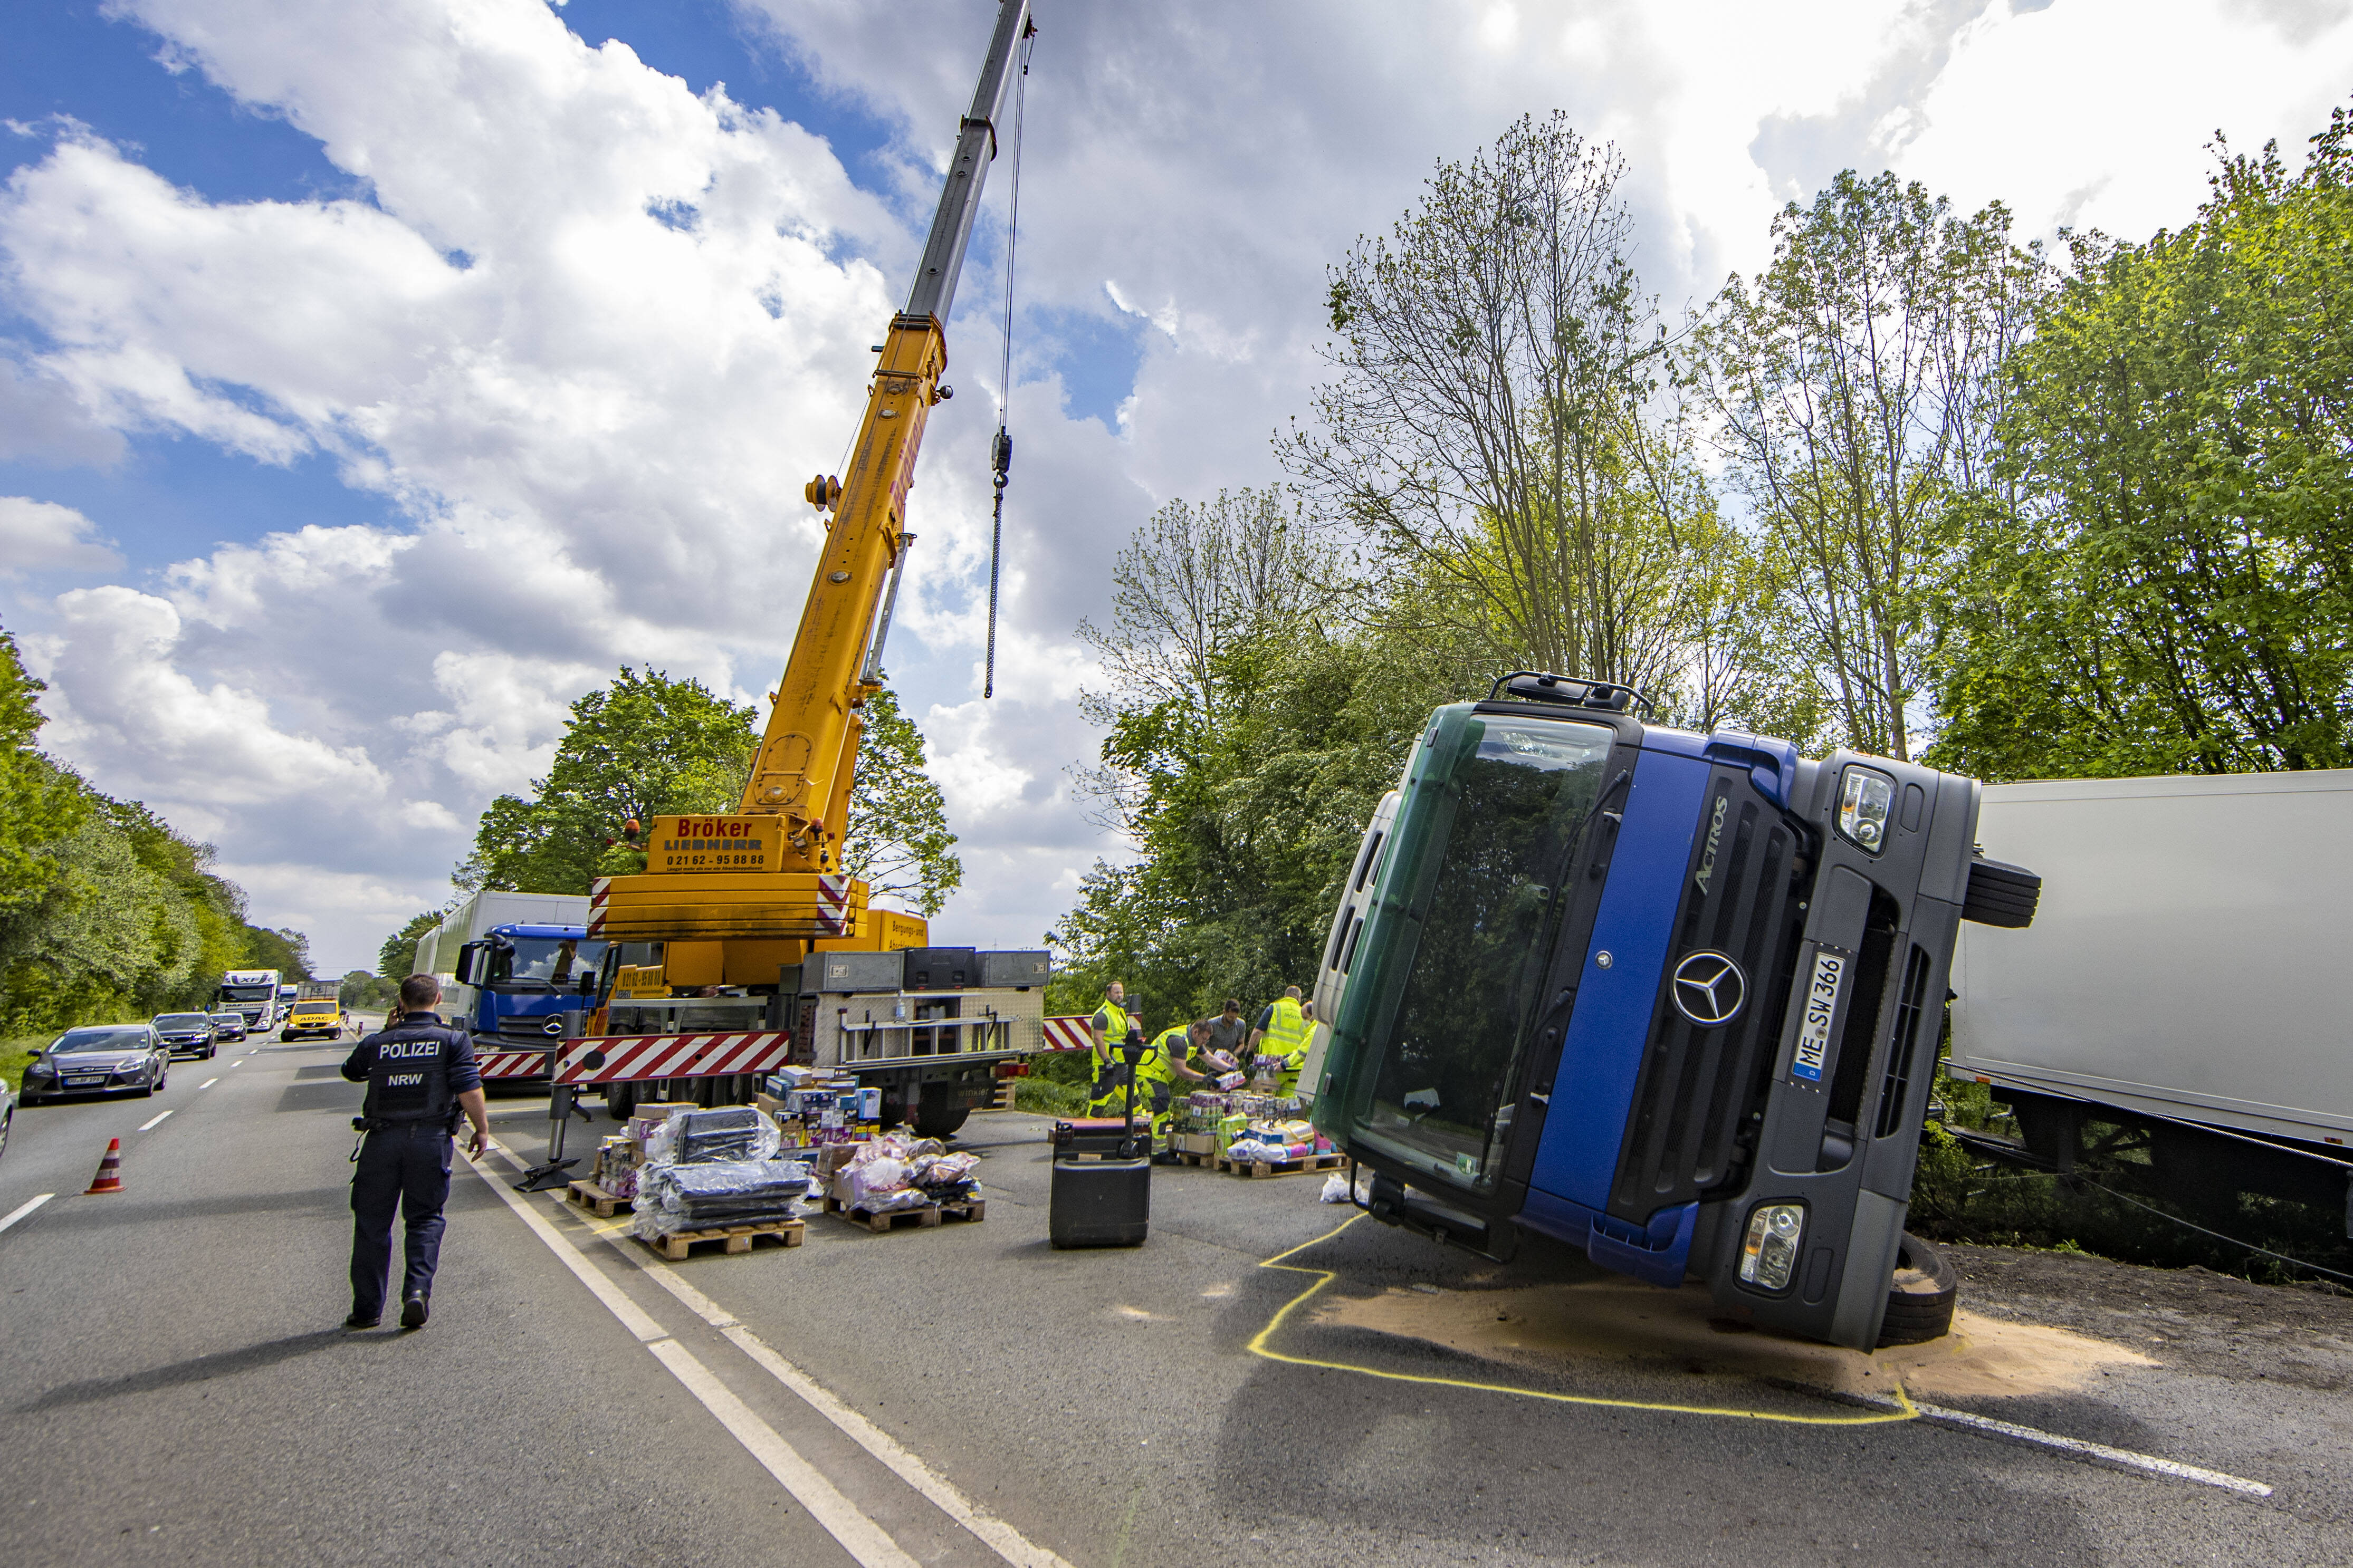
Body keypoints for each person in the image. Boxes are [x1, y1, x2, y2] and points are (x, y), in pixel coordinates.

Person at [340, 973, 489, 1331]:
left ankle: (367, 1310)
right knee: (424, 1219)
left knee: (372, 1225)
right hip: (429, 1141)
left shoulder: (379, 1042)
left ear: (401, 1002)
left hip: (381, 1142)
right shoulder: (453, 1040)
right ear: (438, 998)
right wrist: (481, 1128)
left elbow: (352, 1070)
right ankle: (417, 1293)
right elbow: (469, 1088)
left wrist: (389, 1033)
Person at [1248, 984, 1315, 1098]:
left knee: (1263, 1103)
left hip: (1271, 1066)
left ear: (1285, 996)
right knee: (1288, 1108)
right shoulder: (1306, 1014)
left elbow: (1257, 1032)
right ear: (1299, 998)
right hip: (1294, 1068)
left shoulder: (1274, 1008)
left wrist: (1249, 1051)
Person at [1087, 982, 1131, 1119]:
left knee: (1134, 1100)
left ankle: (1133, 1131)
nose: (1120, 995)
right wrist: (1107, 1062)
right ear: (1108, 994)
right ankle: (1088, 1133)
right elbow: (1098, 1039)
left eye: (1121, 992)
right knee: (1099, 1103)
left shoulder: (1121, 1012)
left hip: (1122, 1064)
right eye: (1116, 992)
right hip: (1106, 1065)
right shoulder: (1102, 1015)